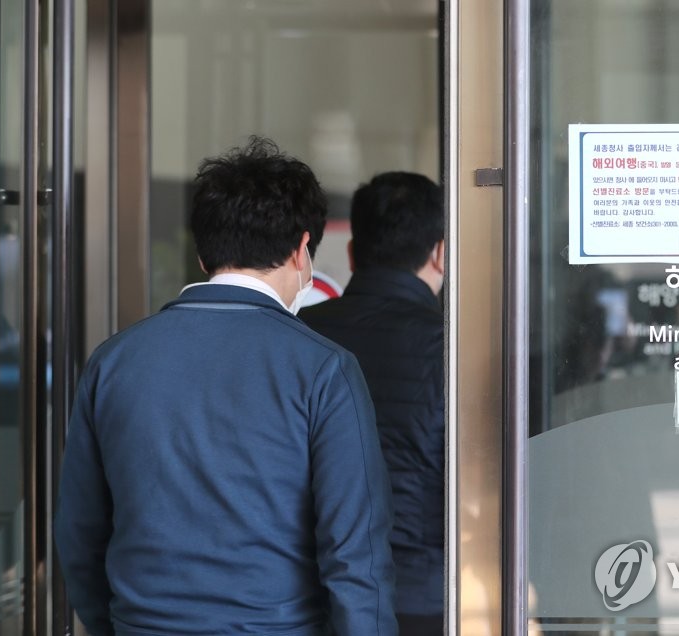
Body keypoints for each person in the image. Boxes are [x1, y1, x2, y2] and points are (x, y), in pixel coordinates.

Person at [55, 137, 397, 636]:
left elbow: (79, 534)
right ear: (302, 250)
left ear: (202, 254)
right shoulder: (325, 370)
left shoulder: (113, 362)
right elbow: (355, 558)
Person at [300, 172, 444, 635]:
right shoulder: (452, 349)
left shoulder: (300, 334)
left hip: (310, 594)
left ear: (352, 252)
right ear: (440, 253)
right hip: (421, 594)